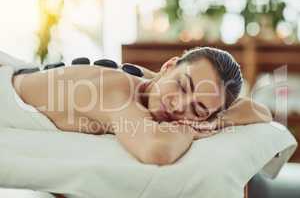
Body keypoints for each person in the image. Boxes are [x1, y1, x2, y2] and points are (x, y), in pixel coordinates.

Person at [5, 47, 272, 165]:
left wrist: (214, 120)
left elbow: (260, 111)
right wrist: (191, 127)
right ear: (168, 67)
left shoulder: (152, 82)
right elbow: (156, 150)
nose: (178, 105)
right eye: (181, 86)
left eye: (198, 108)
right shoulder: (115, 90)